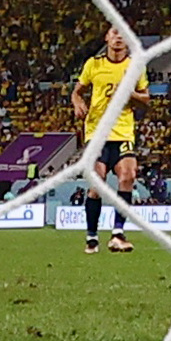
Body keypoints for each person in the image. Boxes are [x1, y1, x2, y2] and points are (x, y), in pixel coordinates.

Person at [71, 25, 142, 253]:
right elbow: (77, 90)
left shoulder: (135, 66)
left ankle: (118, 234)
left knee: (128, 176)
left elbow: (147, 99)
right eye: (114, 33)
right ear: (107, 38)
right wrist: (77, 101)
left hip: (122, 131)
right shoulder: (94, 64)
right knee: (97, 181)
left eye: (123, 34)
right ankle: (92, 237)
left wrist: (130, 94)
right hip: (97, 132)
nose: (119, 37)